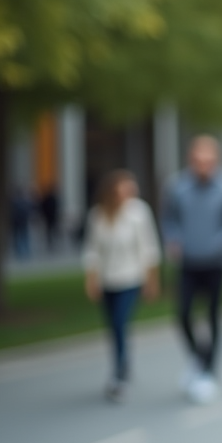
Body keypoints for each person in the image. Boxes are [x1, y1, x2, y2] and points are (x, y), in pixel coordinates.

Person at [161, 135, 222, 404]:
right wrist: (174, 240)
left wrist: (219, 244)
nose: (203, 165)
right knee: (183, 315)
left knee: (213, 317)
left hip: (217, 263)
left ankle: (209, 372)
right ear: (191, 160)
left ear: (216, 161)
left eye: (207, 160)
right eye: (198, 160)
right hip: (188, 262)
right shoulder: (177, 187)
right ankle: (199, 359)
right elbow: (169, 219)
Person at [83, 170, 161, 402]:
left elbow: (148, 248)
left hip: (131, 278)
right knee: (113, 327)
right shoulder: (98, 215)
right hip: (108, 279)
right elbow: (92, 250)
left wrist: (151, 280)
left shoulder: (138, 213)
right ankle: (122, 364)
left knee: (119, 322)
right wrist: (91, 278)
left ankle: (119, 373)